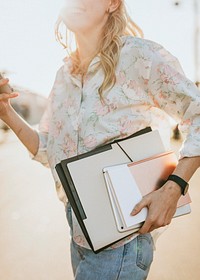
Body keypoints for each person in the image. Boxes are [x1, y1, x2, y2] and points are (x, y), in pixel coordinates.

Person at [0, 0, 200, 279]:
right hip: (81, 234)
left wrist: (174, 187)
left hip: (123, 241)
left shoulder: (140, 57)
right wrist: (6, 113)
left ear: (112, 3)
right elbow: (50, 151)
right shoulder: (64, 75)